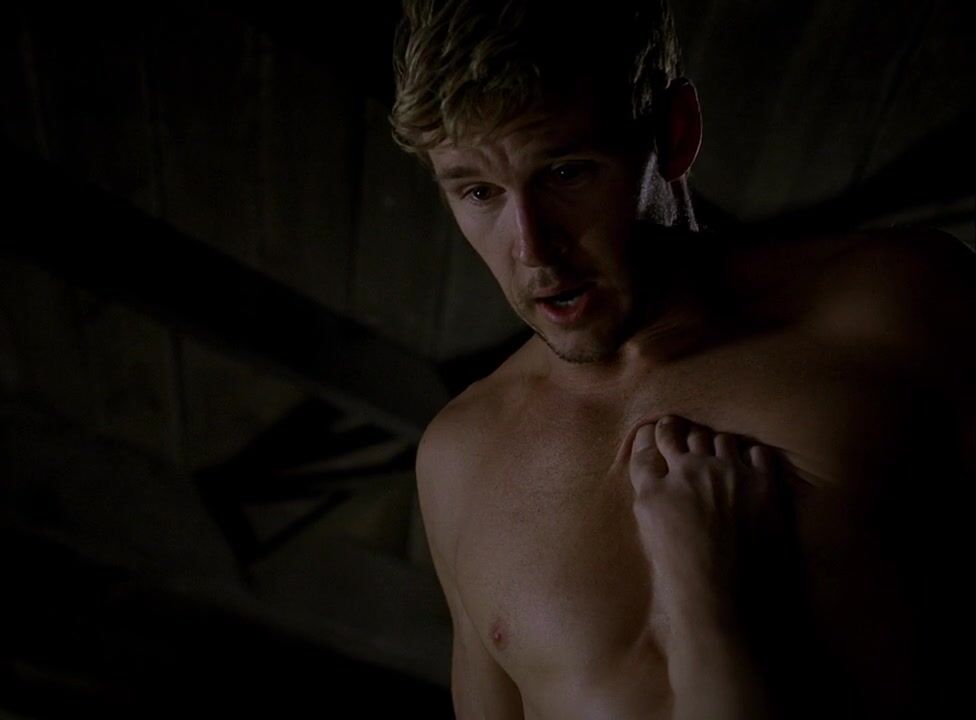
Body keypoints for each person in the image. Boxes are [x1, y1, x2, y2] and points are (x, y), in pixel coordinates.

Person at [390, 0, 976, 717]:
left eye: (567, 173)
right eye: (479, 192)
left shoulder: (901, 309)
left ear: (675, 132)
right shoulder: (459, 457)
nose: (532, 249)